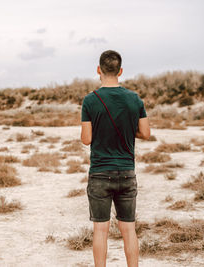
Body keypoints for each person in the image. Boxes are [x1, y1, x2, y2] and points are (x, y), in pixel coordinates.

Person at [80, 50, 150, 267]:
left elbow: (86, 139)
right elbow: (146, 133)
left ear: (99, 70)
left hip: (100, 172)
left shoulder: (90, 100)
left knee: (100, 230)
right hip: (127, 172)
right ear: (120, 71)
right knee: (129, 229)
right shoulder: (134, 99)